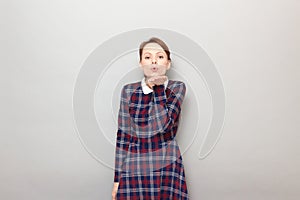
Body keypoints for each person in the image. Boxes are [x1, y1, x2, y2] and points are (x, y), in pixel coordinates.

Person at [112, 37, 189, 199]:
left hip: (166, 163)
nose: (154, 61)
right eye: (147, 57)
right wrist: (117, 180)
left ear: (168, 63)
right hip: (134, 165)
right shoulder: (128, 91)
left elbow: (163, 126)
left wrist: (159, 87)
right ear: (141, 63)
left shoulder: (177, 87)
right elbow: (123, 136)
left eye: (160, 57)